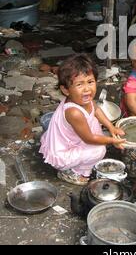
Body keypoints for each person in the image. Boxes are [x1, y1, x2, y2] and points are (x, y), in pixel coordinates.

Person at [39, 54, 126, 185]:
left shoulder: (85, 100)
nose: (87, 89)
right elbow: (89, 139)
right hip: (63, 154)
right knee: (100, 150)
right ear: (66, 90)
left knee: (99, 137)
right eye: (79, 84)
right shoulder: (74, 112)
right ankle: (71, 172)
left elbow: (96, 109)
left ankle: (78, 162)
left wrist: (111, 127)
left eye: (90, 82)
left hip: (71, 142)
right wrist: (111, 140)